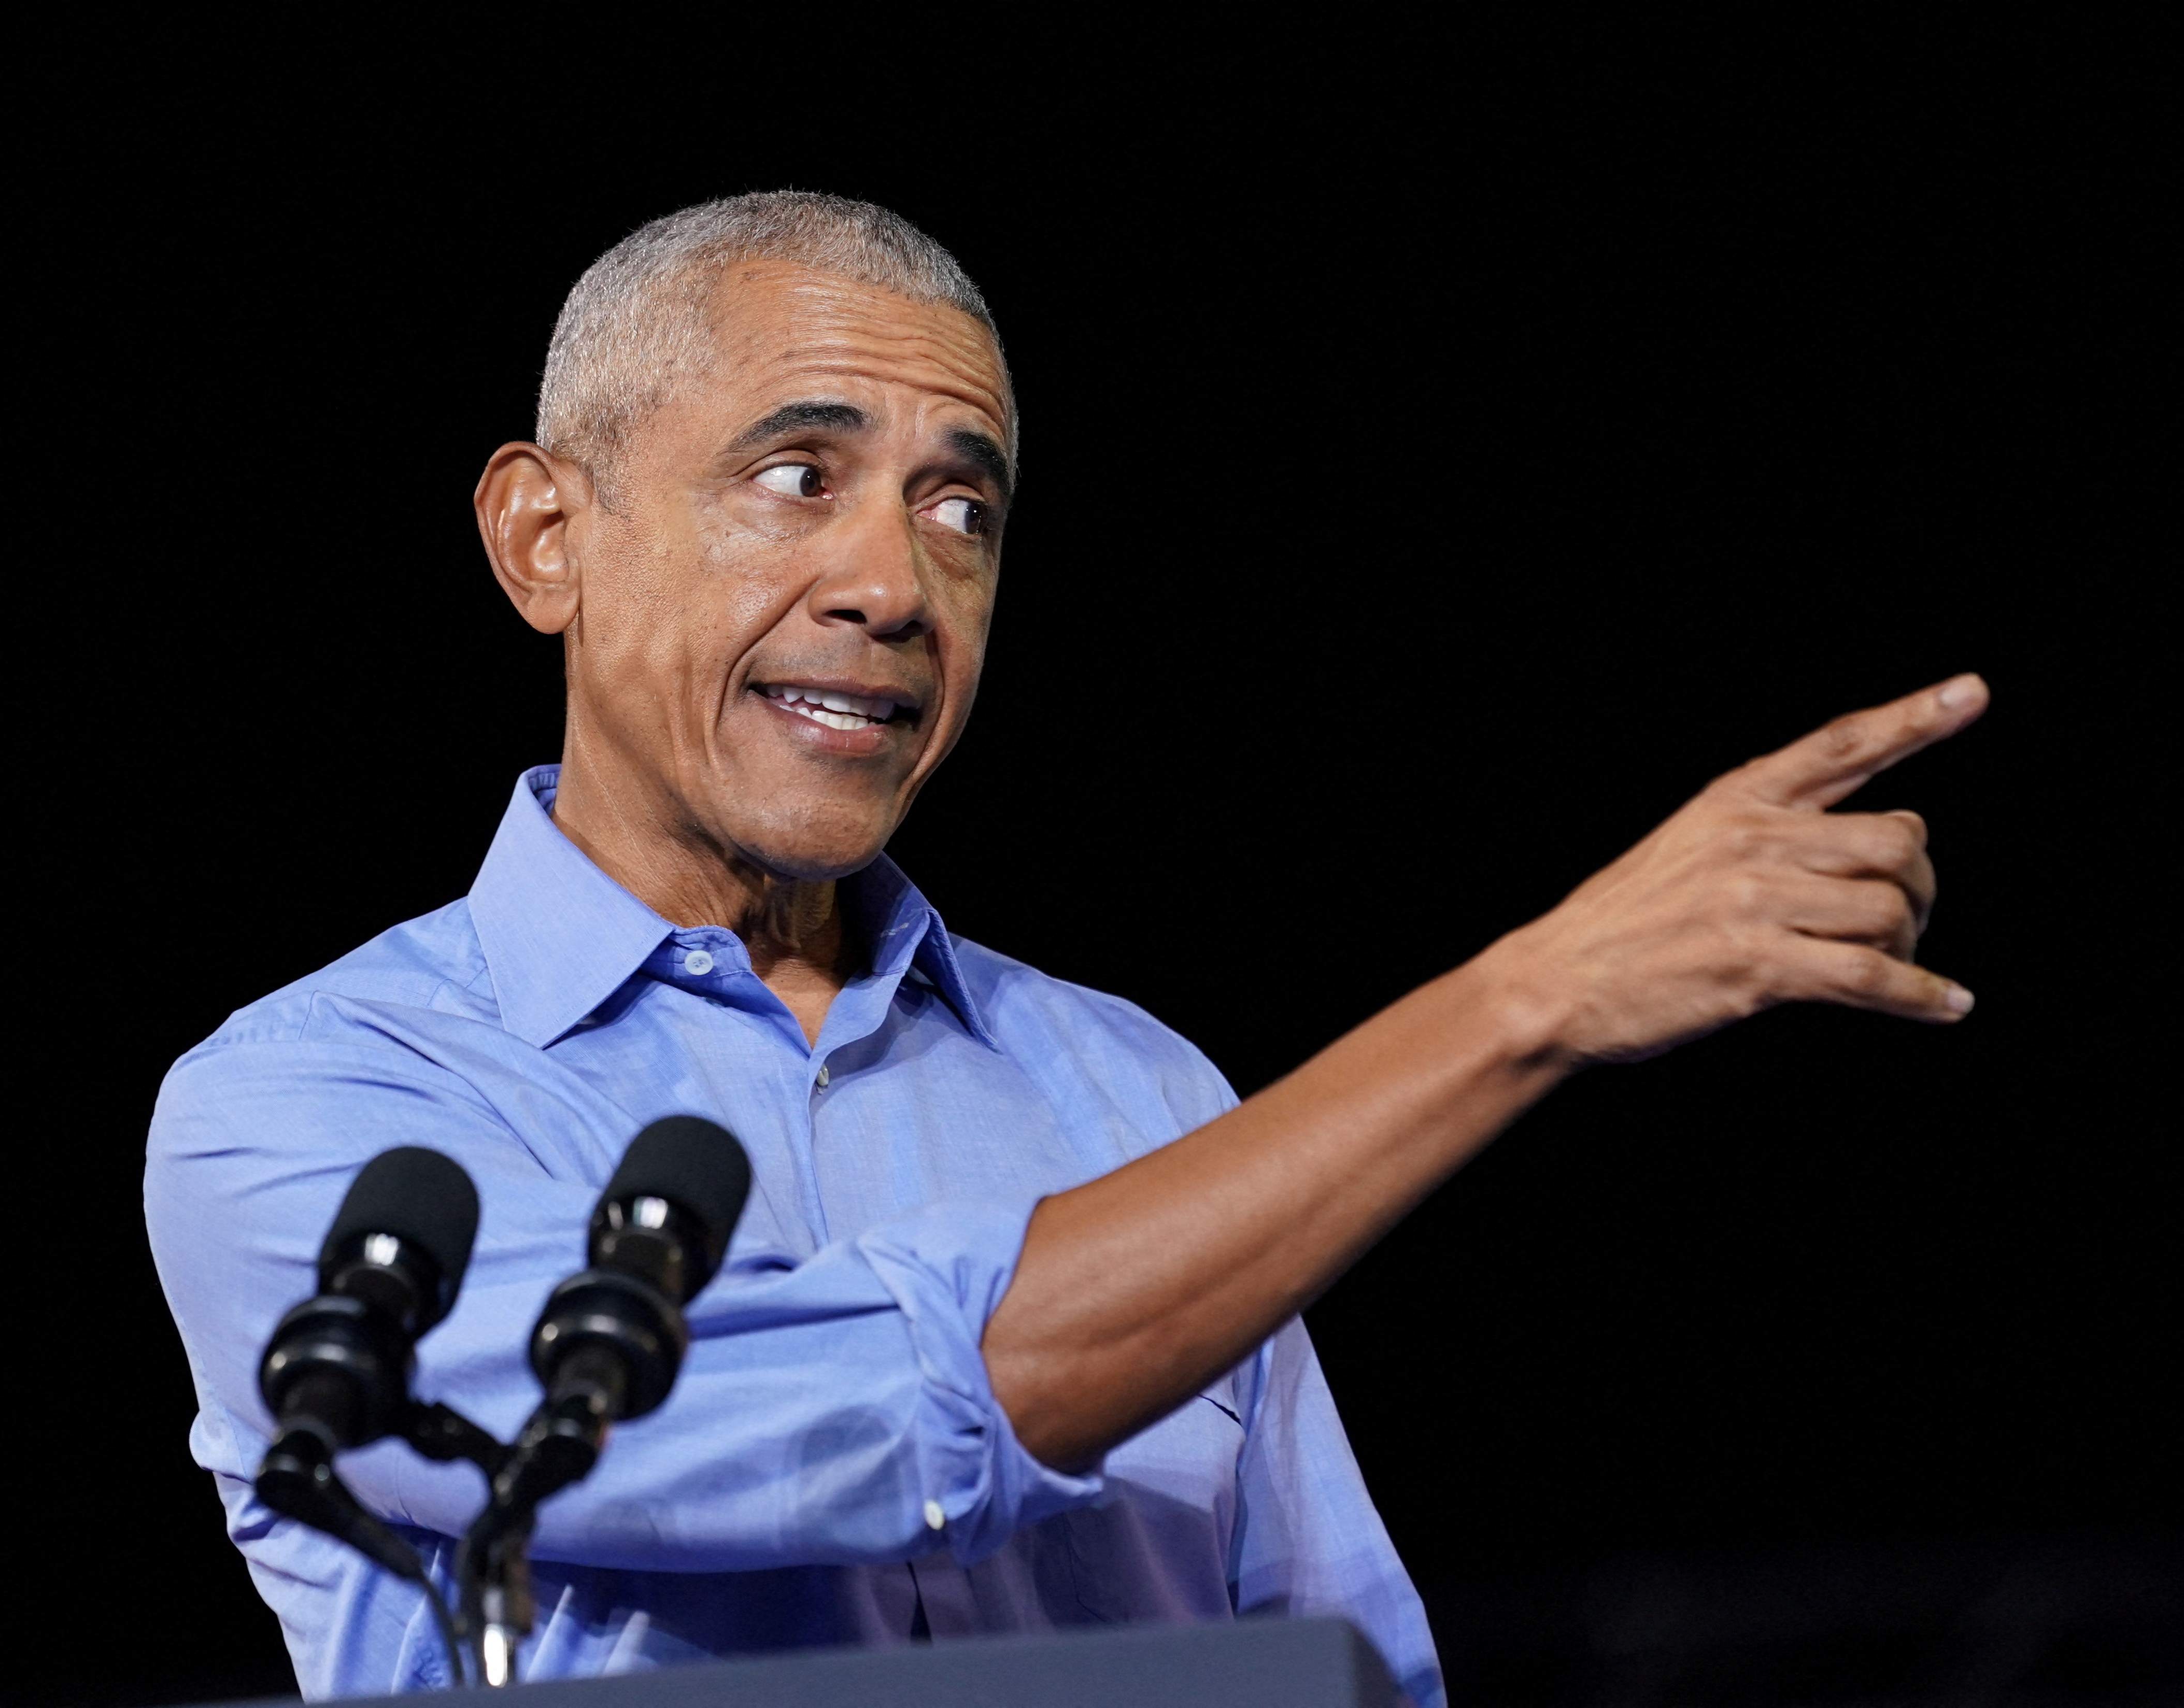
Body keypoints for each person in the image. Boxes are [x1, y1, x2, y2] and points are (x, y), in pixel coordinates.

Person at [146, 191, 1983, 1705]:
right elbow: (868, 1413)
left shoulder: (1135, 1095)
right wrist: (1530, 1001)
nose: (894, 586)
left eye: (964, 510)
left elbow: (1342, 1668)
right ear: (547, 537)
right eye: (800, 474)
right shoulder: (315, 1108)